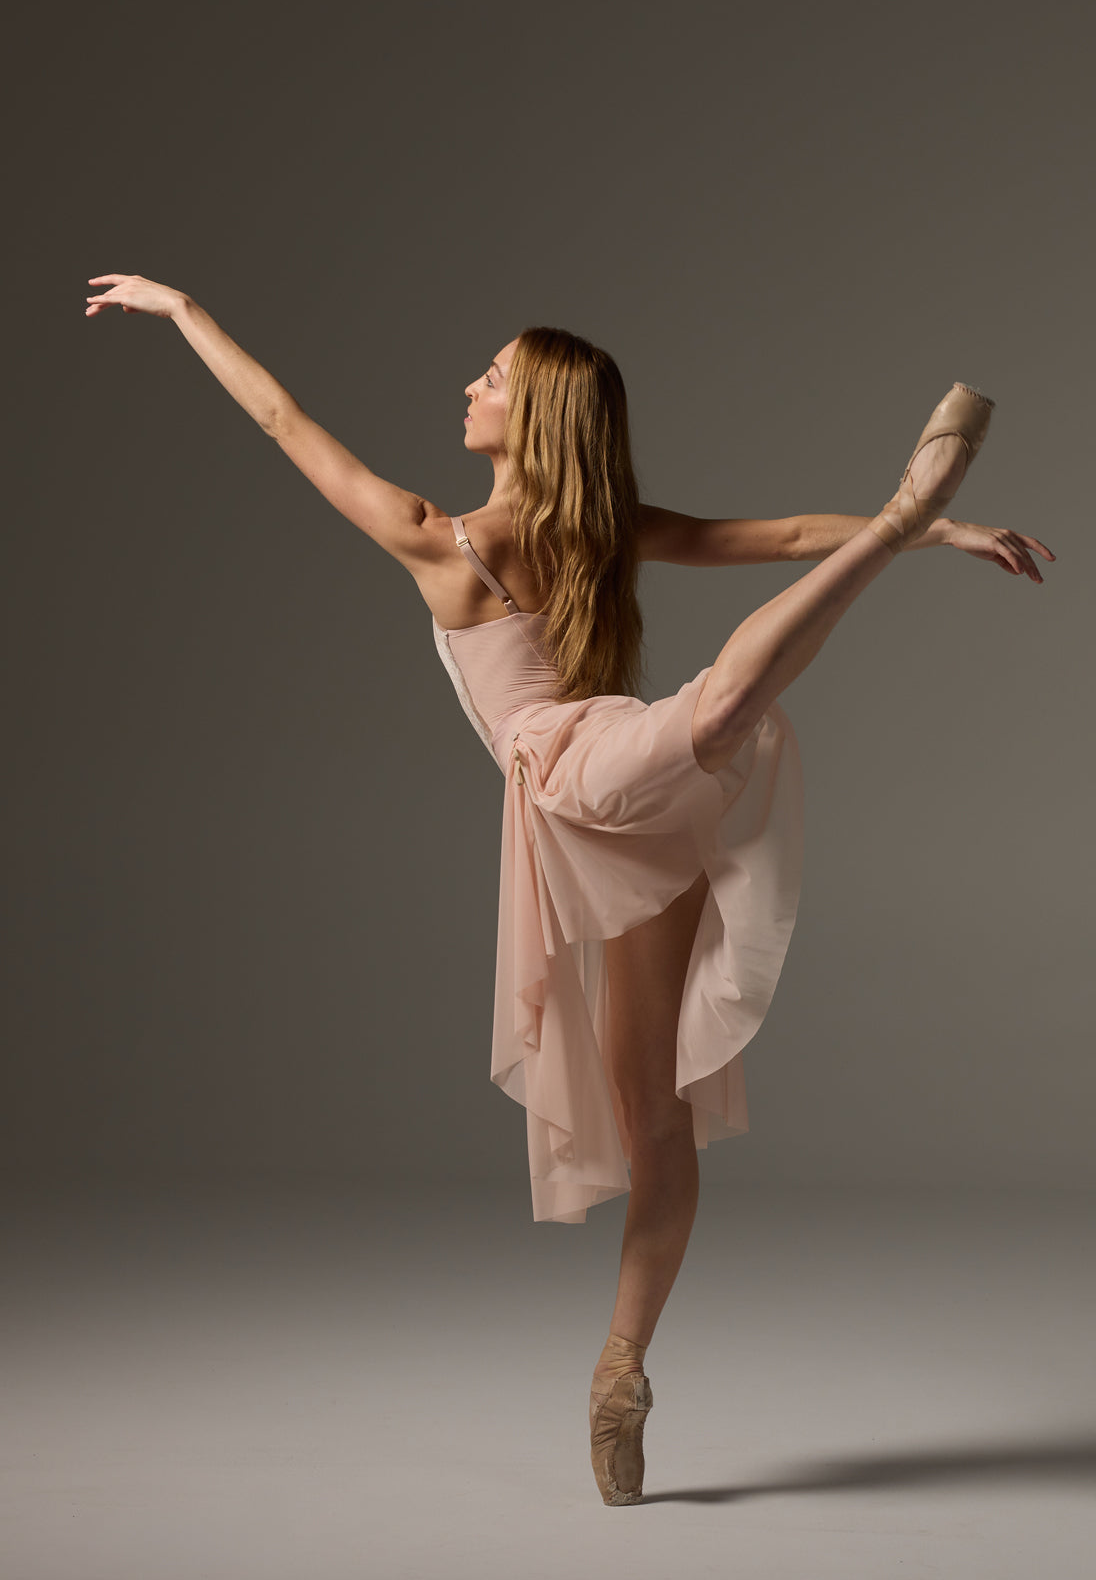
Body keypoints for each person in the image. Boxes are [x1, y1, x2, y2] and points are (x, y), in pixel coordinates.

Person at [85, 274, 1053, 1506]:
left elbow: (285, 420)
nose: (469, 386)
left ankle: (618, 1367)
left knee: (664, 1096)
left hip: (586, 774)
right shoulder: (557, 532)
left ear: (534, 415)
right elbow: (780, 537)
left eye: (491, 376)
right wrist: (931, 535)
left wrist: (185, 313)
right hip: (592, 809)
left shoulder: (448, 534)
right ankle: (900, 518)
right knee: (711, 761)